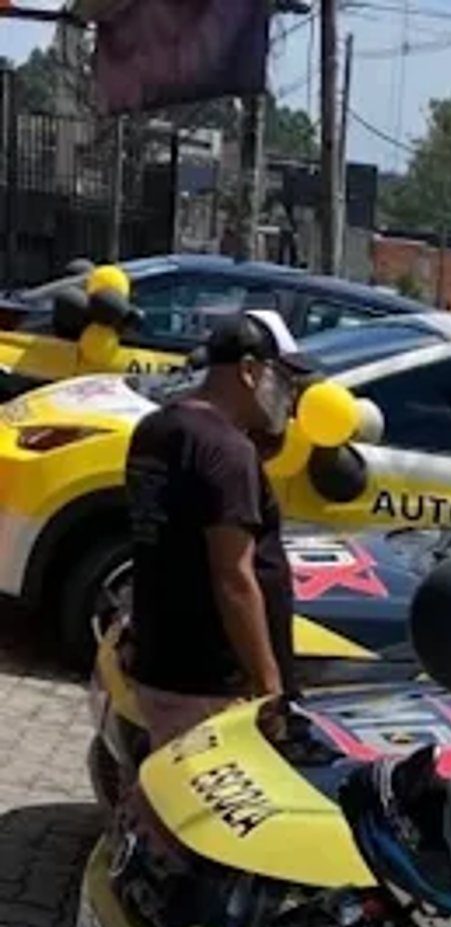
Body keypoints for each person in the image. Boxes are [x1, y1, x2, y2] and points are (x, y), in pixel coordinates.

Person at [123, 308, 303, 751]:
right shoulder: (226, 450)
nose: (289, 396)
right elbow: (234, 578)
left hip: (162, 660)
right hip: (210, 681)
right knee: (193, 813)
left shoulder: (155, 427)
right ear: (248, 371)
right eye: (281, 380)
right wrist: (269, 690)